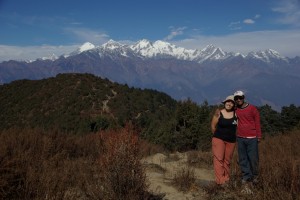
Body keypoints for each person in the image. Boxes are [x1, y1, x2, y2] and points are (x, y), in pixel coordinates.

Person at [233, 90, 262, 186]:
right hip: (240, 137)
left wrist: (259, 136)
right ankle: (246, 176)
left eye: (240, 98)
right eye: (236, 98)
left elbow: (257, 122)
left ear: (243, 98)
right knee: (243, 159)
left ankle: (255, 176)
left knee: (253, 158)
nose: (238, 100)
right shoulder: (236, 110)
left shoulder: (252, 109)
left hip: (252, 137)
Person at [211, 95, 237, 185]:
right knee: (218, 159)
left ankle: (226, 179)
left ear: (233, 105)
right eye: (227, 101)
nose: (229, 103)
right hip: (219, 139)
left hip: (231, 141)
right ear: (224, 102)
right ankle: (220, 181)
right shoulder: (219, 113)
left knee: (227, 161)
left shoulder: (236, 114)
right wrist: (217, 136)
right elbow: (213, 126)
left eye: (231, 102)